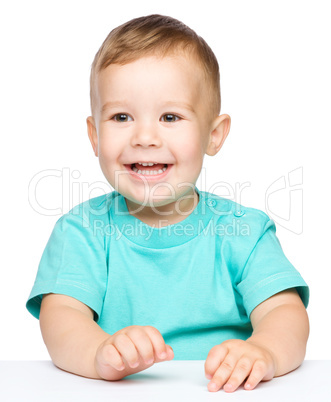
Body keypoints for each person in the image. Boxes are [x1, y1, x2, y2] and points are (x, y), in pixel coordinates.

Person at [26, 14, 309, 393]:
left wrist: (264, 351)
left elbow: (284, 312)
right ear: (94, 135)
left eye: (170, 116)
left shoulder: (244, 231)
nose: (145, 137)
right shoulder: (82, 231)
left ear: (213, 135)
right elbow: (60, 317)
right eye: (121, 116)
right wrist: (98, 353)